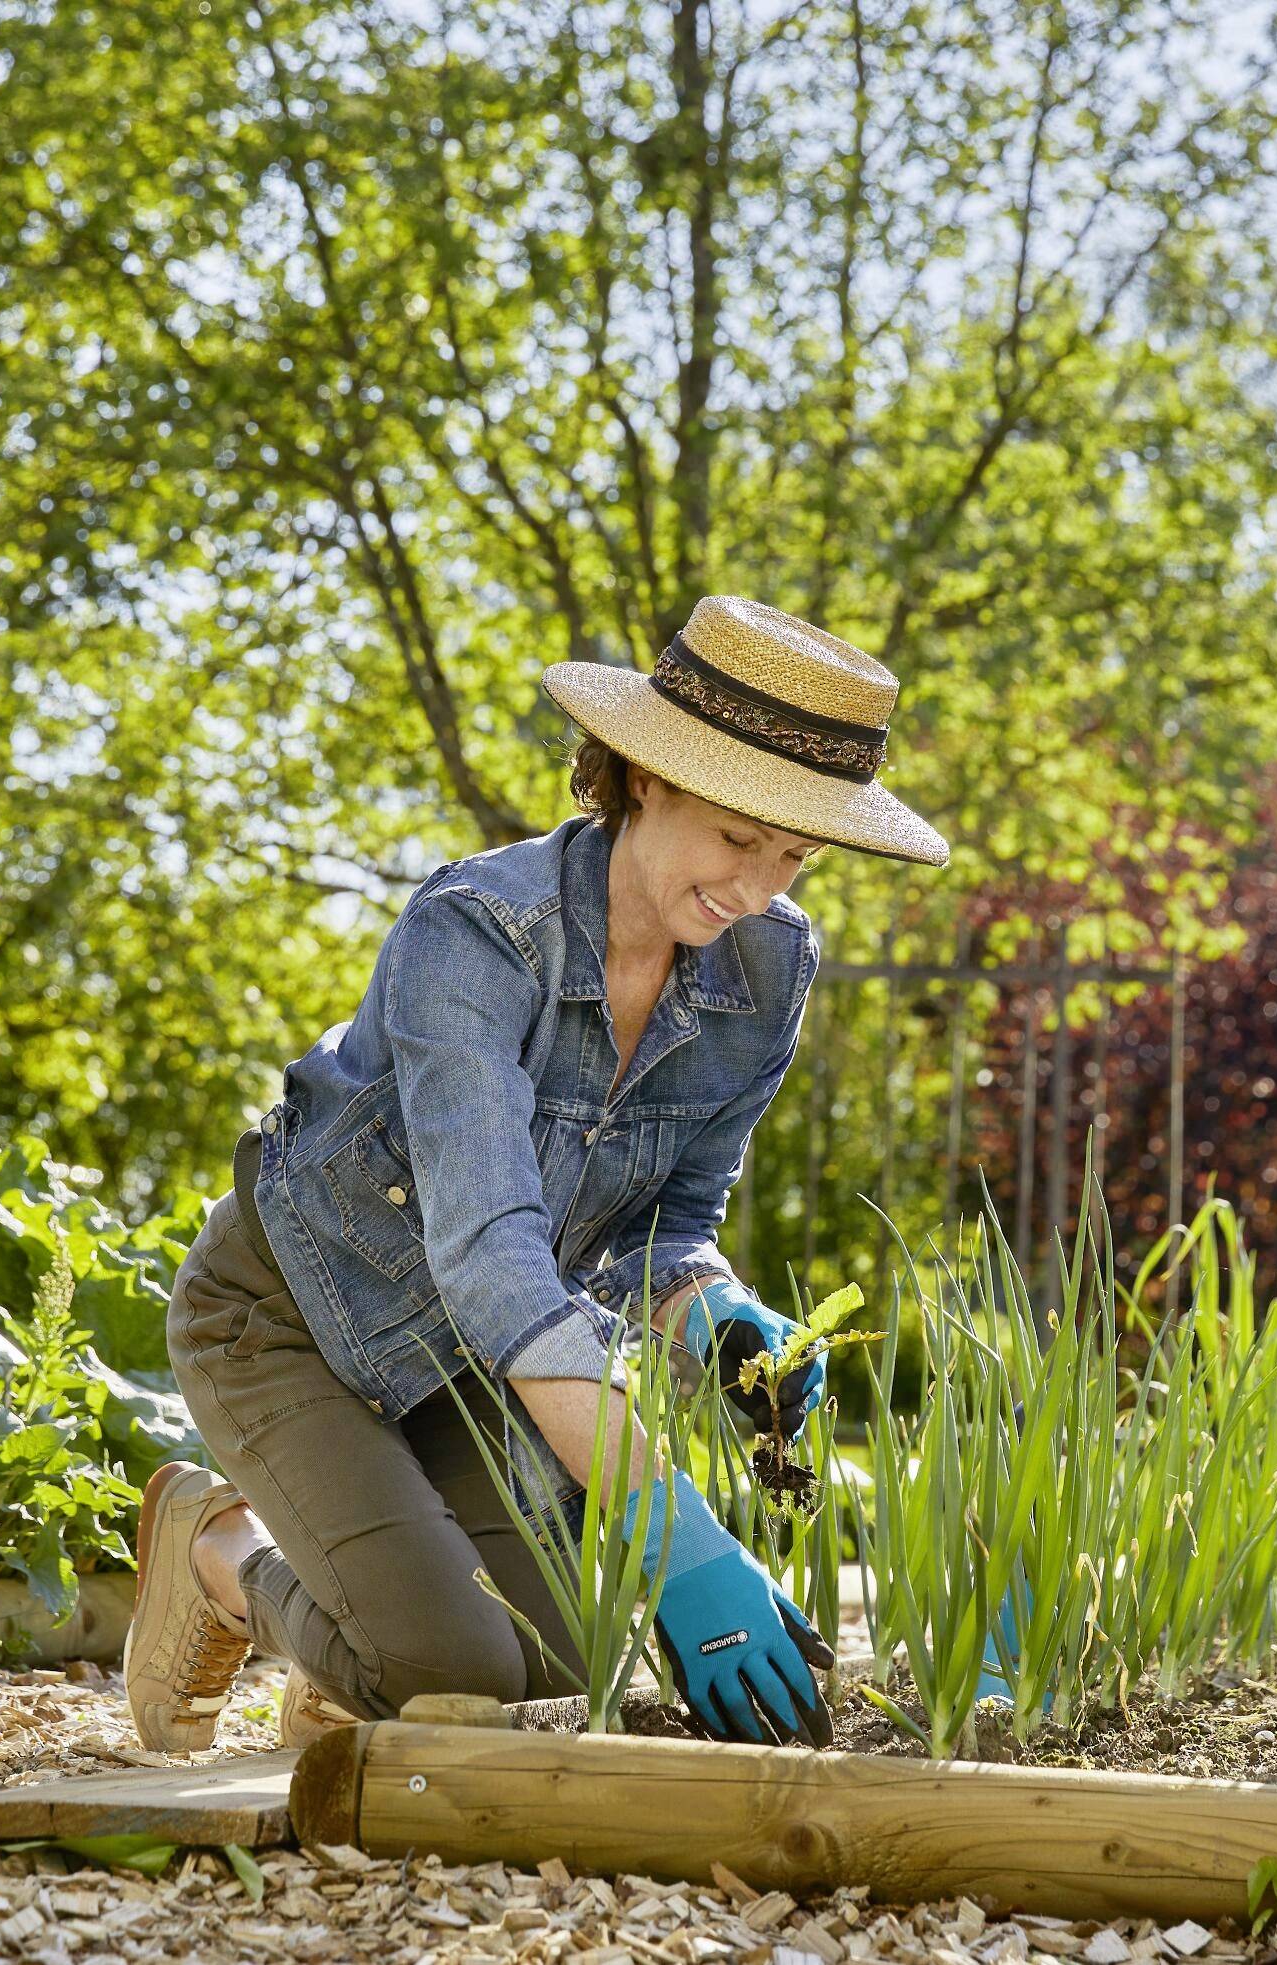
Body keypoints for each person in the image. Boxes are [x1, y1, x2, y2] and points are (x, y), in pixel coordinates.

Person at [122, 595, 948, 1755]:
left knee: (561, 1664)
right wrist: (679, 1540)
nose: (758, 889)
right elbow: (493, 1259)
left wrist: (717, 1314)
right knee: (447, 1668)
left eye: (794, 855)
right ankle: (218, 1552)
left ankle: (349, 1650)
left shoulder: (769, 966)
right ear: (646, 777)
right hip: (291, 1316)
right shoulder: (476, 931)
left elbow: (669, 1220)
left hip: (468, 1362)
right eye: (736, 838)